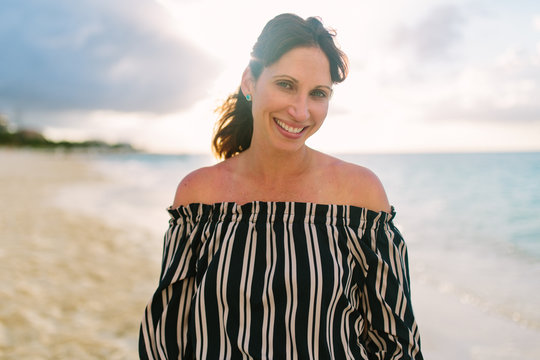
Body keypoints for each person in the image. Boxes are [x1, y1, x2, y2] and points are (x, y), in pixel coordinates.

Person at [139, 13, 423, 359]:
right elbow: (168, 337)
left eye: (318, 93)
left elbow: (396, 341)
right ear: (249, 82)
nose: (301, 111)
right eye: (286, 85)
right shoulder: (199, 196)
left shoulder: (360, 195)